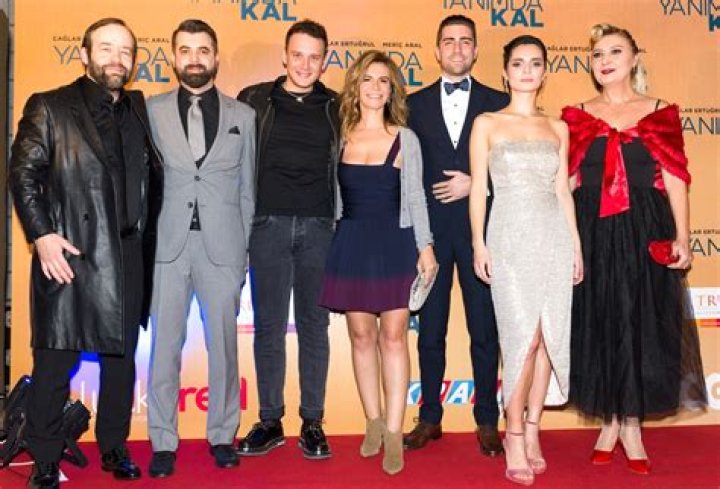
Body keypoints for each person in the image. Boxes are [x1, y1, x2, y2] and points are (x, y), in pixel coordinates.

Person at [9, 18, 162, 489]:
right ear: (84, 54)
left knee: (121, 361)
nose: (117, 59)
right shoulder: (50, 106)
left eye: (126, 51)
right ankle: (45, 458)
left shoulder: (137, 109)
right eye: (106, 48)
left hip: (128, 253)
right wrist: (42, 235)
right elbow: (23, 173)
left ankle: (114, 446)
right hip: (70, 253)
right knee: (55, 362)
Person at [561, 24, 707, 475]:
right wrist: (565, 241)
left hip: (645, 228)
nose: (605, 61)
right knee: (600, 319)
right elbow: (568, 183)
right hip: (592, 229)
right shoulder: (576, 116)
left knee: (639, 320)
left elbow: (677, 179)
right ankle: (609, 423)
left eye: (615, 51)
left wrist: (683, 237)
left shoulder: (661, 112)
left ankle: (632, 426)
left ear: (634, 58)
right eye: (597, 54)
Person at [469, 35, 582, 486]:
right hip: (509, 236)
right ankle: (512, 432)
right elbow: (478, 190)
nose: (527, 71)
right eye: (518, 63)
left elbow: (562, 192)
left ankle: (533, 427)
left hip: (552, 234)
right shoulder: (487, 123)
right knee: (522, 338)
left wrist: (575, 245)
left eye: (535, 63)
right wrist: (478, 244)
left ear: (545, 72)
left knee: (547, 336)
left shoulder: (558, 127)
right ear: (505, 72)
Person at [319, 51, 437, 475]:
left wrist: (426, 247)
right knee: (360, 335)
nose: (374, 87)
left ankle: (394, 431)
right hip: (352, 241)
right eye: (367, 79)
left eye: (383, 81)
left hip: (396, 242)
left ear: (392, 91)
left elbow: (417, 196)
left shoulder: (405, 138)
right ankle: (372, 421)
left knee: (393, 337)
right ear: (356, 86)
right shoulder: (341, 137)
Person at [145, 19, 255, 477]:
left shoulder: (243, 116)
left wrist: (242, 254)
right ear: (173, 57)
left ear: (215, 56)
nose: (194, 58)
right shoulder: (150, 111)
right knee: (164, 347)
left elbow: (247, 190)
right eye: (186, 50)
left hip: (223, 249)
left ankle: (222, 435)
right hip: (167, 248)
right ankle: (162, 441)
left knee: (224, 348)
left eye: (203, 50)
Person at [403, 14, 509, 456]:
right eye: (449, 41)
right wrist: (418, 241)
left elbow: (518, 170)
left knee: (485, 331)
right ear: (436, 49)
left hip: (482, 236)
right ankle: (430, 417)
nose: (458, 48)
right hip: (429, 237)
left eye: (466, 41)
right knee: (430, 331)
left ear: (476, 50)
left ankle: (487, 419)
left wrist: (478, 184)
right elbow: (405, 175)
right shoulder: (410, 104)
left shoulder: (500, 103)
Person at [236, 19, 338, 460]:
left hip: (320, 228)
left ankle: (312, 422)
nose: (305, 65)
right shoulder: (254, 100)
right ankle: (270, 420)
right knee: (269, 326)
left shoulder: (338, 107)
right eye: (298, 55)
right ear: (284, 56)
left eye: (314, 57)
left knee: (315, 326)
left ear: (325, 61)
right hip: (267, 226)